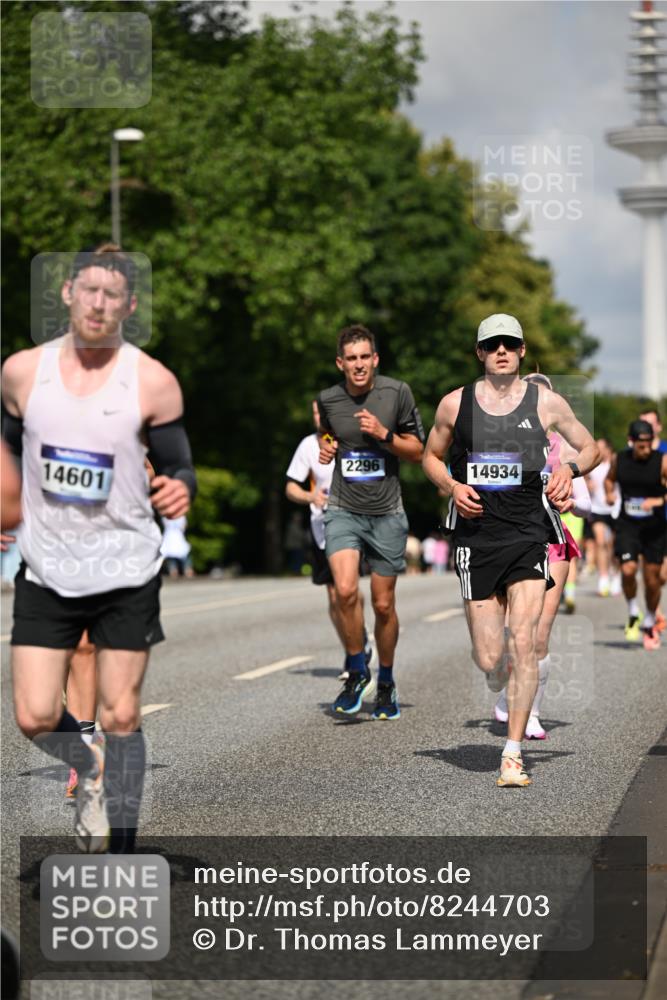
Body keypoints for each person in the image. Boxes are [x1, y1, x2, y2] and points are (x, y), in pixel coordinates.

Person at [1, 243, 196, 852]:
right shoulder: (23, 373)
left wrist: (179, 488)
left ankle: (124, 851)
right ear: (67, 293)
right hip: (46, 566)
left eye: (112, 294)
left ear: (128, 306)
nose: (98, 302)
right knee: (34, 714)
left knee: (121, 714)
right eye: (88, 289)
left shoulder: (153, 381)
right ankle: (88, 767)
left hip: (126, 567)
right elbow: (9, 453)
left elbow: (179, 464)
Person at [422, 314, 599, 787]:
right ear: (480, 352)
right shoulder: (454, 404)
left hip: (528, 533)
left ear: (521, 350)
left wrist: (568, 471)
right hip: (477, 537)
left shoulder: (547, 402)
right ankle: (499, 683)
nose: (501, 350)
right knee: (490, 659)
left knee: (525, 642)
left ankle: (513, 753)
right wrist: (452, 486)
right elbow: (429, 456)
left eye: (510, 343)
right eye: (492, 344)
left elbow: (590, 448)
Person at [317, 324, 425, 720]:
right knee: (345, 592)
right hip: (343, 508)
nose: (359, 364)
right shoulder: (329, 398)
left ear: (375, 359)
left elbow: (418, 451)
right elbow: (326, 434)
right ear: (340, 363)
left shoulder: (397, 393)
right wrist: (326, 447)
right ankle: (357, 668)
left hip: (386, 513)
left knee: (382, 604)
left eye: (365, 357)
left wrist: (384, 435)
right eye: (352, 359)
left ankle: (387, 680)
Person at [494, 373, 592, 739]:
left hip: (553, 542)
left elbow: (588, 505)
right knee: (511, 635)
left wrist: (570, 502)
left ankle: (532, 713)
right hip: (510, 541)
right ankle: (509, 692)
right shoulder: (501, 444)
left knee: (538, 637)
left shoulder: (564, 451)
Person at [285, 400, 373, 679]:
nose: (318, 417)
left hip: (352, 524)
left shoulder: (353, 439)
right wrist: (310, 496)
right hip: (320, 528)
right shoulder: (308, 445)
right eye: (314, 412)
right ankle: (352, 647)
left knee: (347, 590)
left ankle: (357, 639)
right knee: (334, 596)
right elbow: (290, 487)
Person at [605, 419, 667, 651]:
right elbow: (609, 480)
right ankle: (633, 611)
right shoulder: (619, 459)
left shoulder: (662, 461)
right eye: (641, 444)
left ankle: (650, 620)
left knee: (653, 580)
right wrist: (609, 494)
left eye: (649, 442)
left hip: (654, 527)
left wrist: (658, 501)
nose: (646, 448)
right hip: (628, 524)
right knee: (628, 569)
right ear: (631, 441)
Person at [586, 438, 621, 598]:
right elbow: (583, 479)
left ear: (608, 449)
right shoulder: (592, 464)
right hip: (597, 509)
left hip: (615, 509)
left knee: (613, 545)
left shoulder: (616, 463)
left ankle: (616, 575)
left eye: (600, 447)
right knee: (600, 542)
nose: (597, 450)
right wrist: (588, 484)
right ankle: (603, 578)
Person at [161, 514, 194, 579]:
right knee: (184, 555)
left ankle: (174, 572)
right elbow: (184, 527)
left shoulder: (166, 515)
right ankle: (188, 571)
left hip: (169, 538)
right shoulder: (181, 516)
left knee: (171, 557)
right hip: (178, 537)